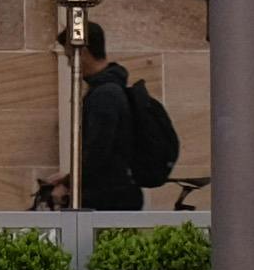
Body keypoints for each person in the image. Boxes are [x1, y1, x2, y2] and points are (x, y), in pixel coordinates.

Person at [76, 41, 181, 212]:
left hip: (108, 198)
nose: (69, 63)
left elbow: (98, 150)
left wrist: (71, 183)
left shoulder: (105, 94)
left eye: (70, 56)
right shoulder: (112, 89)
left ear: (84, 53)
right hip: (118, 193)